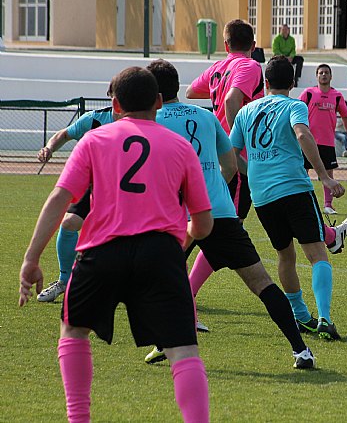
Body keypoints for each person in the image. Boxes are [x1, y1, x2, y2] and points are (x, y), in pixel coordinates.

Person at [19, 66, 213, 421]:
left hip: (101, 251)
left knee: (74, 331)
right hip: (160, 253)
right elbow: (203, 223)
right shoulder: (181, 147)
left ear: (115, 104)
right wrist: (180, 240)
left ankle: (79, 417)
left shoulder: (95, 140)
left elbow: (60, 199)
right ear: (158, 102)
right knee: (184, 351)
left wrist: (31, 258)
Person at [144, 59, 316, 369]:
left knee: (161, 277)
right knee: (261, 283)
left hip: (180, 218)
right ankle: (301, 350)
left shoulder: (152, 123)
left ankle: (166, 342)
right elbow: (230, 167)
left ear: (152, 92)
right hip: (219, 213)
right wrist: (209, 189)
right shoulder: (207, 118)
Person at [230, 56, 347, 340]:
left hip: (262, 196)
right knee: (317, 254)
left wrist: (251, 173)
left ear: (264, 83)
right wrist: (324, 177)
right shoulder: (295, 105)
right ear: (292, 83)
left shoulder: (246, 111)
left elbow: (231, 151)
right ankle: (323, 318)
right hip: (294, 189)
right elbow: (302, 134)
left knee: (285, 256)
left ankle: (301, 316)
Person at [185, 18, 264, 308]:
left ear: (226, 44)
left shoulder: (218, 67)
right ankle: (183, 292)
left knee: (212, 222)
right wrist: (236, 144)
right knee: (227, 227)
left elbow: (191, 92)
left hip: (211, 152)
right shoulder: (251, 66)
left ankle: (180, 290)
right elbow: (232, 100)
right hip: (232, 158)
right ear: (253, 46)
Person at [35, 90, 119, 303]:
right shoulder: (94, 119)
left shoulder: (146, 122)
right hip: (96, 186)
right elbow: (64, 134)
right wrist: (49, 148)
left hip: (132, 191)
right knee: (70, 223)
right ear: (112, 96)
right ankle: (66, 280)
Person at [299, 64, 347, 215]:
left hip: (327, 142)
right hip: (308, 141)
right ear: (316, 76)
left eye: (326, 73)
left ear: (331, 76)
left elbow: (346, 116)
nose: (323, 75)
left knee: (328, 174)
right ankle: (302, 204)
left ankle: (328, 205)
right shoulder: (308, 93)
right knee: (302, 173)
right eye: (321, 72)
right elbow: (296, 110)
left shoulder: (337, 96)